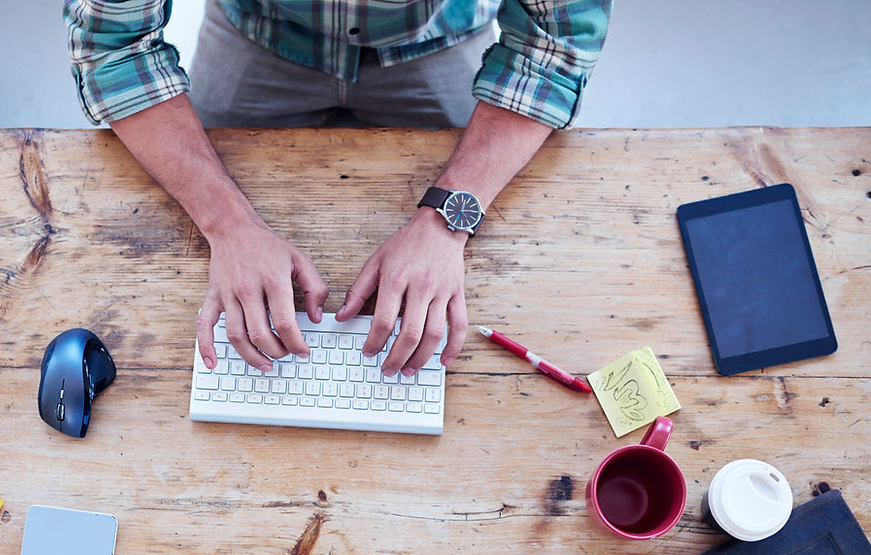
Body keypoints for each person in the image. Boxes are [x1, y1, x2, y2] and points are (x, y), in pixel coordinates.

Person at [64, 0, 611, 378]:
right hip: (259, 34)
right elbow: (114, 46)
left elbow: (553, 42)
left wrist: (448, 219)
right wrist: (227, 225)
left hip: (435, 41)